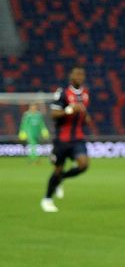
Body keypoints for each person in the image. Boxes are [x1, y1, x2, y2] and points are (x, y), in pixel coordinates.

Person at [41, 66, 91, 213]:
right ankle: (47, 199)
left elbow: (84, 115)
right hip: (62, 139)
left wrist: (86, 117)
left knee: (83, 164)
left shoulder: (86, 93)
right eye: (77, 74)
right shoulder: (62, 93)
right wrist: (70, 109)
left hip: (78, 138)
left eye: (82, 74)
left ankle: (62, 178)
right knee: (57, 170)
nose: (80, 76)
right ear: (71, 76)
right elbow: (53, 114)